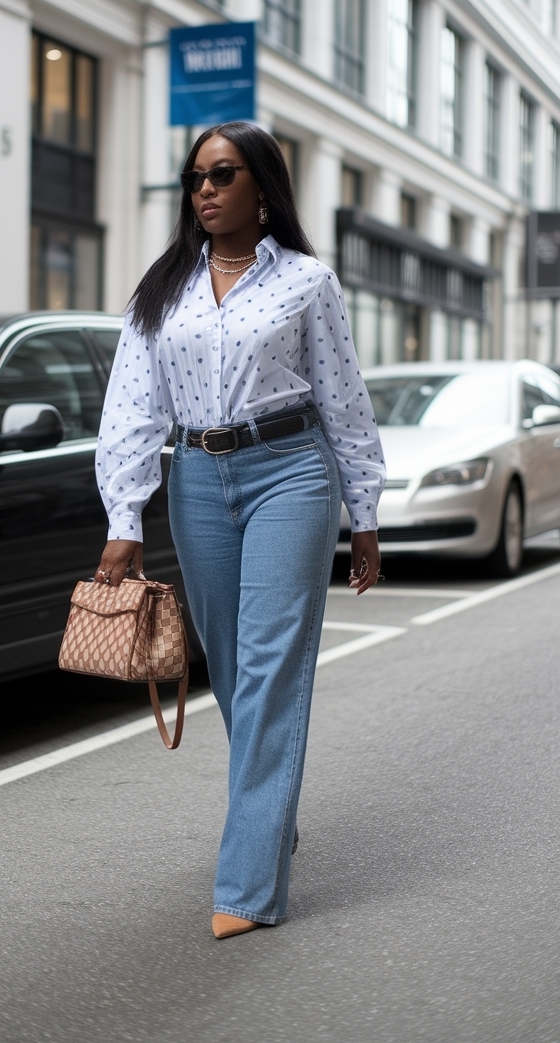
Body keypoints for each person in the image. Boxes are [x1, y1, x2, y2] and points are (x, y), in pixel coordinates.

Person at [94, 122, 385, 939]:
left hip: (290, 471)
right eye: (195, 178)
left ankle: (248, 885)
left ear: (262, 186)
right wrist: (125, 515)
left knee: (267, 670)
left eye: (222, 174)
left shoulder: (307, 282)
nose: (206, 190)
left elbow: (344, 400)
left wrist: (363, 515)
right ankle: (271, 812)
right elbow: (131, 408)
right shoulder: (164, 288)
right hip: (195, 480)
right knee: (228, 671)